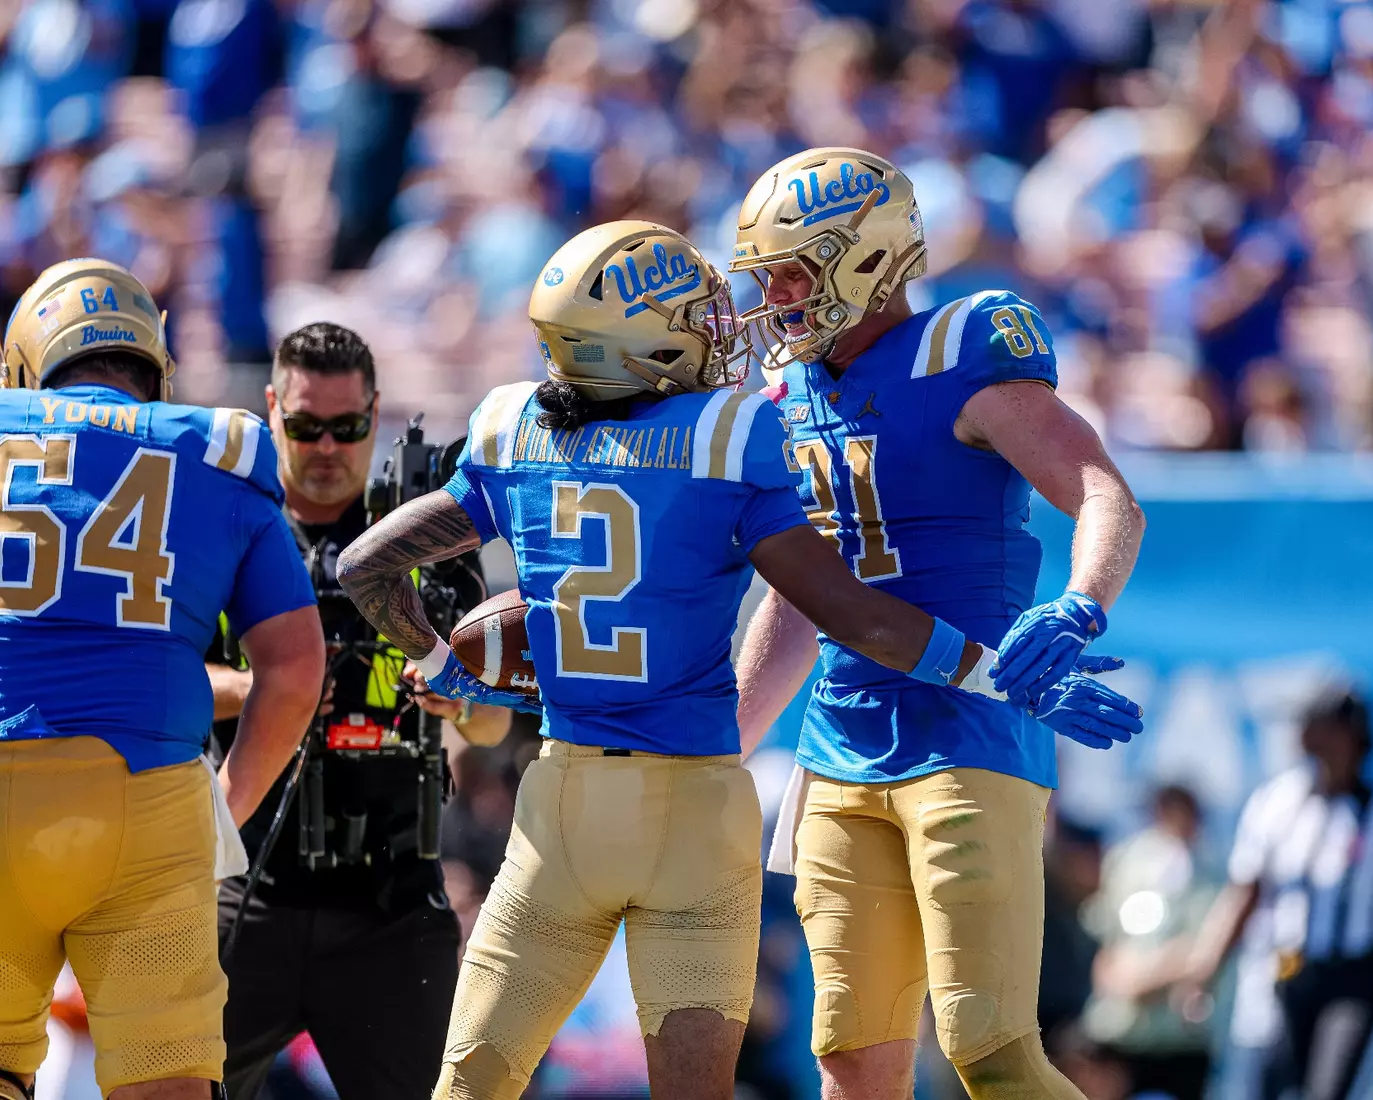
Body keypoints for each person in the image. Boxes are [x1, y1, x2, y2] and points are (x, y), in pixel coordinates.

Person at [333, 219, 1143, 1100]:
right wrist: (999, 672)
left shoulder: (508, 422)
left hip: (561, 801)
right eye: (698, 308)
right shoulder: (731, 432)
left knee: (470, 1085)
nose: (737, 316)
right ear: (643, 341)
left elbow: (364, 564)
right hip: (698, 802)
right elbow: (849, 612)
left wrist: (443, 663)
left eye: (784, 277)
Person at [727, 146, 1147, 1100]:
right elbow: (803, 593)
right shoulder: (789, 396)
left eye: (793, 269)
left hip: (972, 734)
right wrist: (724, 745)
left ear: (865, 261)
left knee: (991, 1054)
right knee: (852, 1065)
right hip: (839, 747)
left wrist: (1080, 606)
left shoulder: (966, 347)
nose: (774, 293)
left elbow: (1104, 497)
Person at [0, 258, 324, 1100]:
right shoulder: (219, 452)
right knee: (166, 1083)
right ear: (152, 366)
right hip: (148, 806)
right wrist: (226, 805)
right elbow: (292, 672)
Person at [205, 322, 513, 1100]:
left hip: (393, 904)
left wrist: (459, 694)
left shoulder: (422, 534)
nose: (327, 447)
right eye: (306, 426)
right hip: (245, 886)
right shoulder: (226, 523)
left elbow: (493, 723)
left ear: (376, 414)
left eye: (347, 427)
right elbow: (160, 677)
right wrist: (267, 687)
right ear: (271, 409)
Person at [1182, 687, 1373, 1100]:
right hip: (1288, 974)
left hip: (1357, 978)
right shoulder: (1277, 802)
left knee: (1329, 1091)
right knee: (1269, 1088)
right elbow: (1245, 894)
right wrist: (1206, 968)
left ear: (1352, 735)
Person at [1082, 785, 1220, 1100]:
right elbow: (1106, 943)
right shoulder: (1126, 861)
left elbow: (1205, 951)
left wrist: (1148, 979)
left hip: (1182, 1039)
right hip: (1121, 1034)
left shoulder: (1216, 871)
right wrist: (1119, 981)